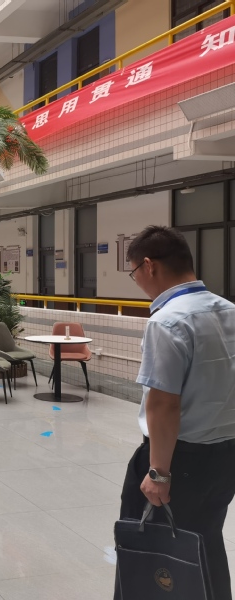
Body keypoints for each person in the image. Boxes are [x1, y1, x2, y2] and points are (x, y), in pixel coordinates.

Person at [116, 225, 235, 600]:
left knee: (150, 551)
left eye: (134, 272)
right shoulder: (229, 311)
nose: (137, 281)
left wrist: (158, 472)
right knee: (203, 541)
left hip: (177, 459)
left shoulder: (167, 321)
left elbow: (164, 404)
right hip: (224, 456)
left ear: (149, 266)